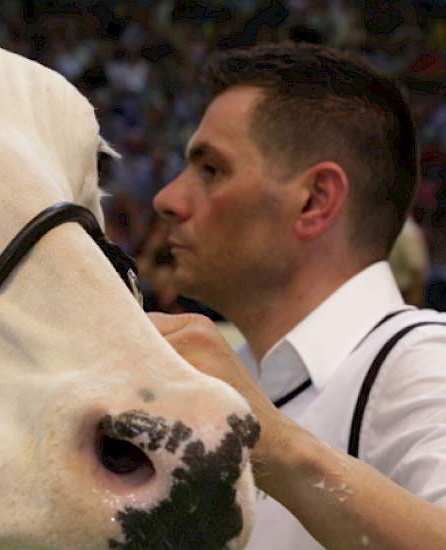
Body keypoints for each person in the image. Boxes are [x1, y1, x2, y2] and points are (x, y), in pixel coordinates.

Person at [150, 42, 446, 549]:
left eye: (211, 169)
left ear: (314, 201)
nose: (168, 199)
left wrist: (271, 442)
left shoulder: (419, 361)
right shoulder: (238, 374)